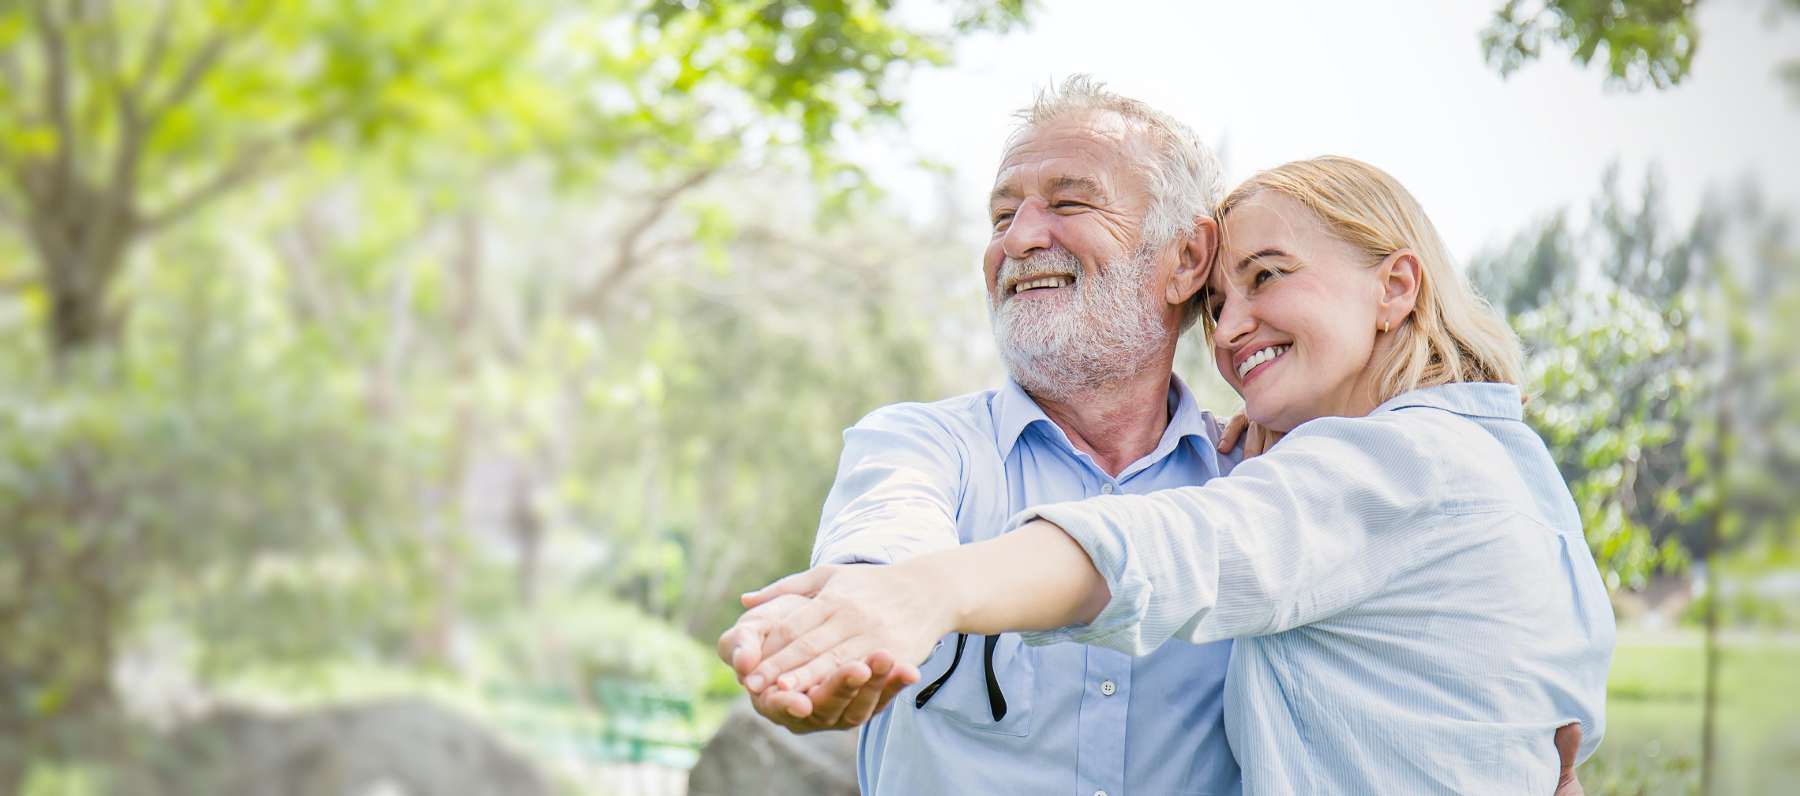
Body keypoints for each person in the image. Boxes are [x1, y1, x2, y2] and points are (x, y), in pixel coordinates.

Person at [730, 156, 1614, 794]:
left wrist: (929, 593)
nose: (1231, 331)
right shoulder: (1501, 466)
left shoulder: (1394, 465)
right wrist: (863, 603)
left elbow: (1184, 546)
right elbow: (1565, 717)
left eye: (1269, 277)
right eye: (1220, 306)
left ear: (1396, 288)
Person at [717, 76, 1251, 795]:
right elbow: (883, 547)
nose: (1021, 239)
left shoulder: (1255, 482)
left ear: (1187, 259)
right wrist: (841, 631)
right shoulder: (916, 445)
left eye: (1069, 202)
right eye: (1002, 216)